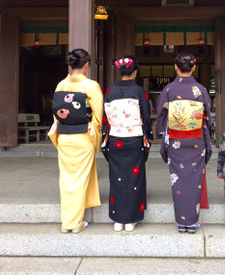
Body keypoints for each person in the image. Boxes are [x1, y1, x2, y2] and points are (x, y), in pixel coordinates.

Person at [48, 49, 103, 234]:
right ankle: (73, 222)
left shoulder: (61, 85)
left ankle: (69, 219)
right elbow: (97, 116)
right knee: (78, 179)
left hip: (64, 135)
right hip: (82, 135)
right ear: (86, 64)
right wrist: (96, 139)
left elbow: (56, 115)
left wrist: (57, 137)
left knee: (67, 179)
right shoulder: (91, 86)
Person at [156, 52, 212, 233]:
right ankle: (192, 221)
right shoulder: (201, 90)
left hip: (176, 140)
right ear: (194, 68)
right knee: (194, 178)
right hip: (196, 139)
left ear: (176, 67)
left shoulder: (169, 90)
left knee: (178, 179)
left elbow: (161, 115)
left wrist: (164, 132)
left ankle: (182, 221)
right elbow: (207, 117)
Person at [101, 56, 153, 232]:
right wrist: (149, 134)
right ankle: (130, 219)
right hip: (135, 138)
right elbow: (146, 116)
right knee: (134, 177)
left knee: (117, 177)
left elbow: (105, 117)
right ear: (135, 72)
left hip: (116, 138)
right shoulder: (139, 91)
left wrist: (105, 136)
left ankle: (118, 219)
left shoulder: (110, 90)